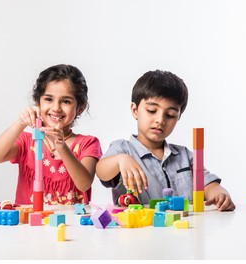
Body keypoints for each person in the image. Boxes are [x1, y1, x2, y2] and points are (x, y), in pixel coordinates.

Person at [96, 70, 235, 211]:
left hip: (184, 229)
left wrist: (220, 194)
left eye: (170, 115)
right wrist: (121, 160)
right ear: (135, 110)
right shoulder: (123, 149)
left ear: (178, 117)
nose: (160, 120)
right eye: (151, 110)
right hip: (142, 229)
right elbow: (101, 171)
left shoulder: (184, 156)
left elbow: (208, 184)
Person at [0, 64, 102, 205]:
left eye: (66, 101)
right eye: (48, 99)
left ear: (80, 108)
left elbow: (84, 184)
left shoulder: (88, 143)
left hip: (69, 225)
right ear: (38, 102)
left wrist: (61, 146)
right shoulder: (27, 141)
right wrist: (21, 122)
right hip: (31, 224)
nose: (56, 108)